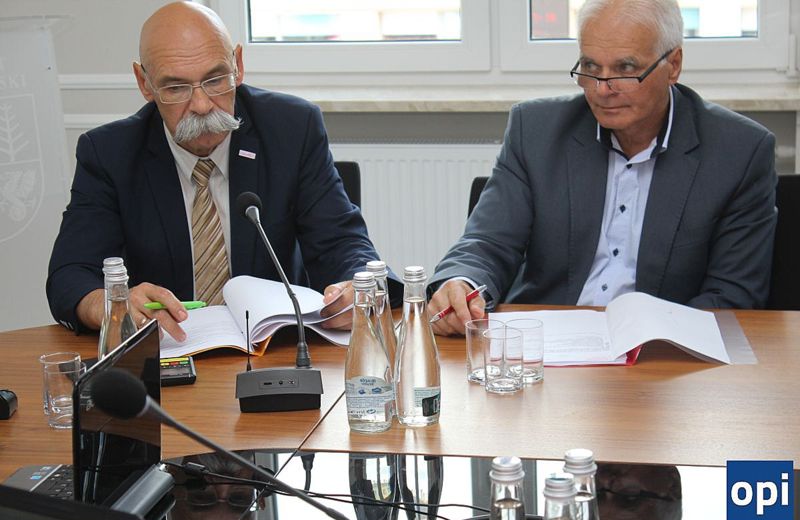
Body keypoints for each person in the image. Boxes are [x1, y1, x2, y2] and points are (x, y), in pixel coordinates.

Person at [428, 0, 778, 336]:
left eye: (625, 69)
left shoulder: (739, 151)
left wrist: (653, 342)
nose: (602, 89)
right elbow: (488, 241)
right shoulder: (535, 131)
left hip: (665, 354)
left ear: (673, 65)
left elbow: (733, 295)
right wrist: (461, 282)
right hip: (549, 346)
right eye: (591, 68)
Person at [46, 2, 391, 341]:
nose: (201, 105)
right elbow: (70, 274)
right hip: (169, 351)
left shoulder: (292, 129)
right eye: (176, 88)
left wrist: (357, 287)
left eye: (215, 80)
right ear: (144, 83)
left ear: (237, 65)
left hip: (276, 348)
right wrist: (113, 305)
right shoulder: (109, 154)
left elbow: (342, 243)